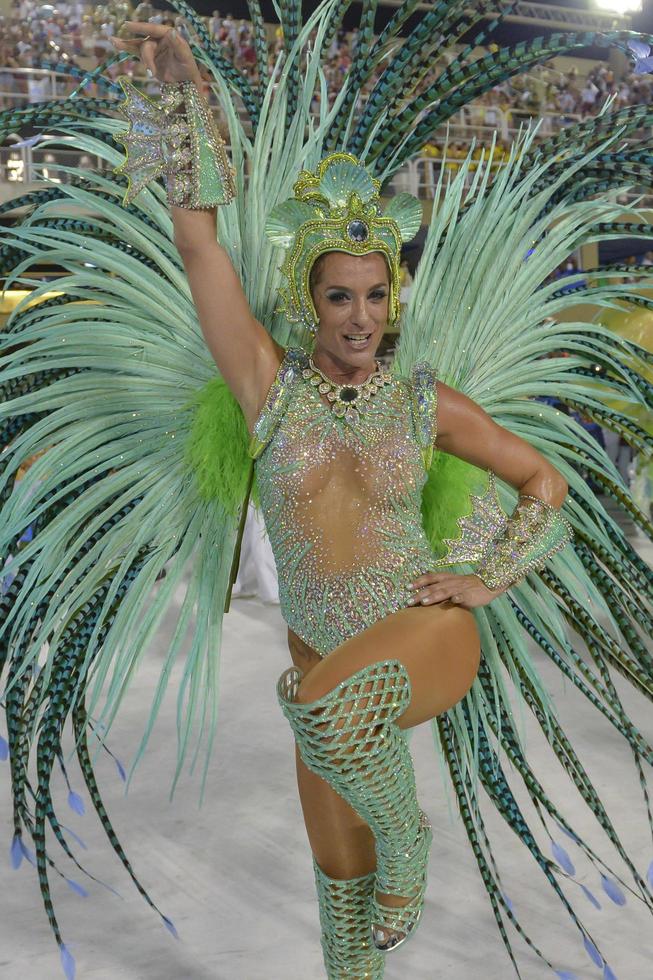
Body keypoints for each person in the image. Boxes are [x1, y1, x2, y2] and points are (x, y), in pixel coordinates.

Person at [3, 7, 653, 980]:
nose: (359, 315)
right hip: (323, 670)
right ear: (310, 299)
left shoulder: (429, 400)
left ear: (395, 296)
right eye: (339, 294)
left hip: (420, 634)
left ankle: (413, 845)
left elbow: (541, 478)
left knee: (328, 717)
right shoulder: (268, 394)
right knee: (340, 893)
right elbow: (196, 247)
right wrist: (176, 100)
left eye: (376, 293)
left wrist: (485, 576)